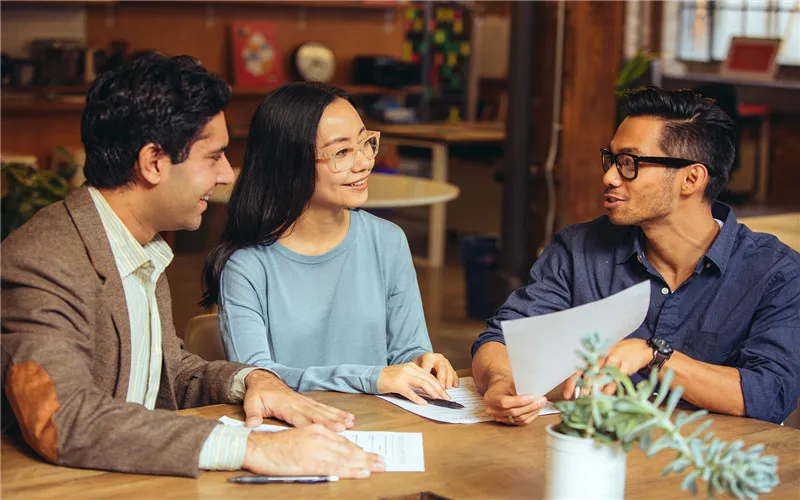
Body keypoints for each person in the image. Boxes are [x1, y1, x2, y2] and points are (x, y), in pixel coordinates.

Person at [1, 54, 384, 478]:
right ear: (154, 162)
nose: (226, 174)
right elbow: (63, 419)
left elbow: (170, 376)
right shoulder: (44, 260)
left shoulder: (138, 246)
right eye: (214, 156)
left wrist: (253, 380)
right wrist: (253, 448)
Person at [471, 86, 800, 425]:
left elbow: (771, 393)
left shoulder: (776, 273)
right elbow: (500, 340)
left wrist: (654, 356)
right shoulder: (578, 250)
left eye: (630, 163)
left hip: (706, 466)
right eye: (611, 160)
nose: (609, 176)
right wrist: (501, 381)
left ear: (691, 178)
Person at [201, 82, 458, 406]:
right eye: (341, 152)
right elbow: (258, 378)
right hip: (292, 435)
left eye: (365, 143)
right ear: (290, 162)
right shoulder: (246, 266)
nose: (364, 162)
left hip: (384, 432)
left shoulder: (388, 241)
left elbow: (408, 351)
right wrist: (371, 378)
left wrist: (424, 363)